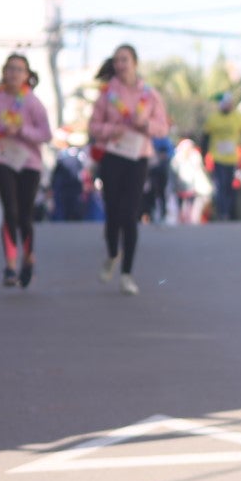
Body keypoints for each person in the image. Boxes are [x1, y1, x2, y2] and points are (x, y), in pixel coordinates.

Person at [88, 44, 170, 295]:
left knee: (129, 213)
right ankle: (113, 253)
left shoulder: (149, 94)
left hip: (138, 157)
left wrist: (146, 124)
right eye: (117, 61)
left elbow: (163, 127)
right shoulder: (107, 94)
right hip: (113, 155)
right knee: (113, 212)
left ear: (135, 62)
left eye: (125, 60)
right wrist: (110, 130)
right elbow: (93, 126)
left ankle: (127, 273)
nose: (121, 65)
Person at [0, 53, 53, 288]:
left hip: (28, 163)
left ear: (27, 75)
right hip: (2, 158)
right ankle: (10, 264)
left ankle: (28, 257)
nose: (13, 73)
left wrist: (22, 131)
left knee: (25, 213)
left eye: (18, 69)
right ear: (3, 72)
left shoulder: (33, 102)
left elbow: (45, 134)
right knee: (9, 210)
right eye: (9, 68)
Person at [200, 93, 241, 221]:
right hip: (218, 158)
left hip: (233, 158)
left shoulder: (237, 118)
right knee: (220, 185)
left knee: (229, 186)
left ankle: (228, 210)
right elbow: (205, 138)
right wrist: (204, 155)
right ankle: (223, 212)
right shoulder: (213, 119)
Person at [147, 133, 174, 223]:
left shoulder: (165, 139)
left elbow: (171, 152)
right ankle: (151, 211)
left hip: (162, 169)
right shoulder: (149, 138)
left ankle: (162, 212)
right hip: (151, 169)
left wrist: (164, 155)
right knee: (152, 190)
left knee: (161, 191)